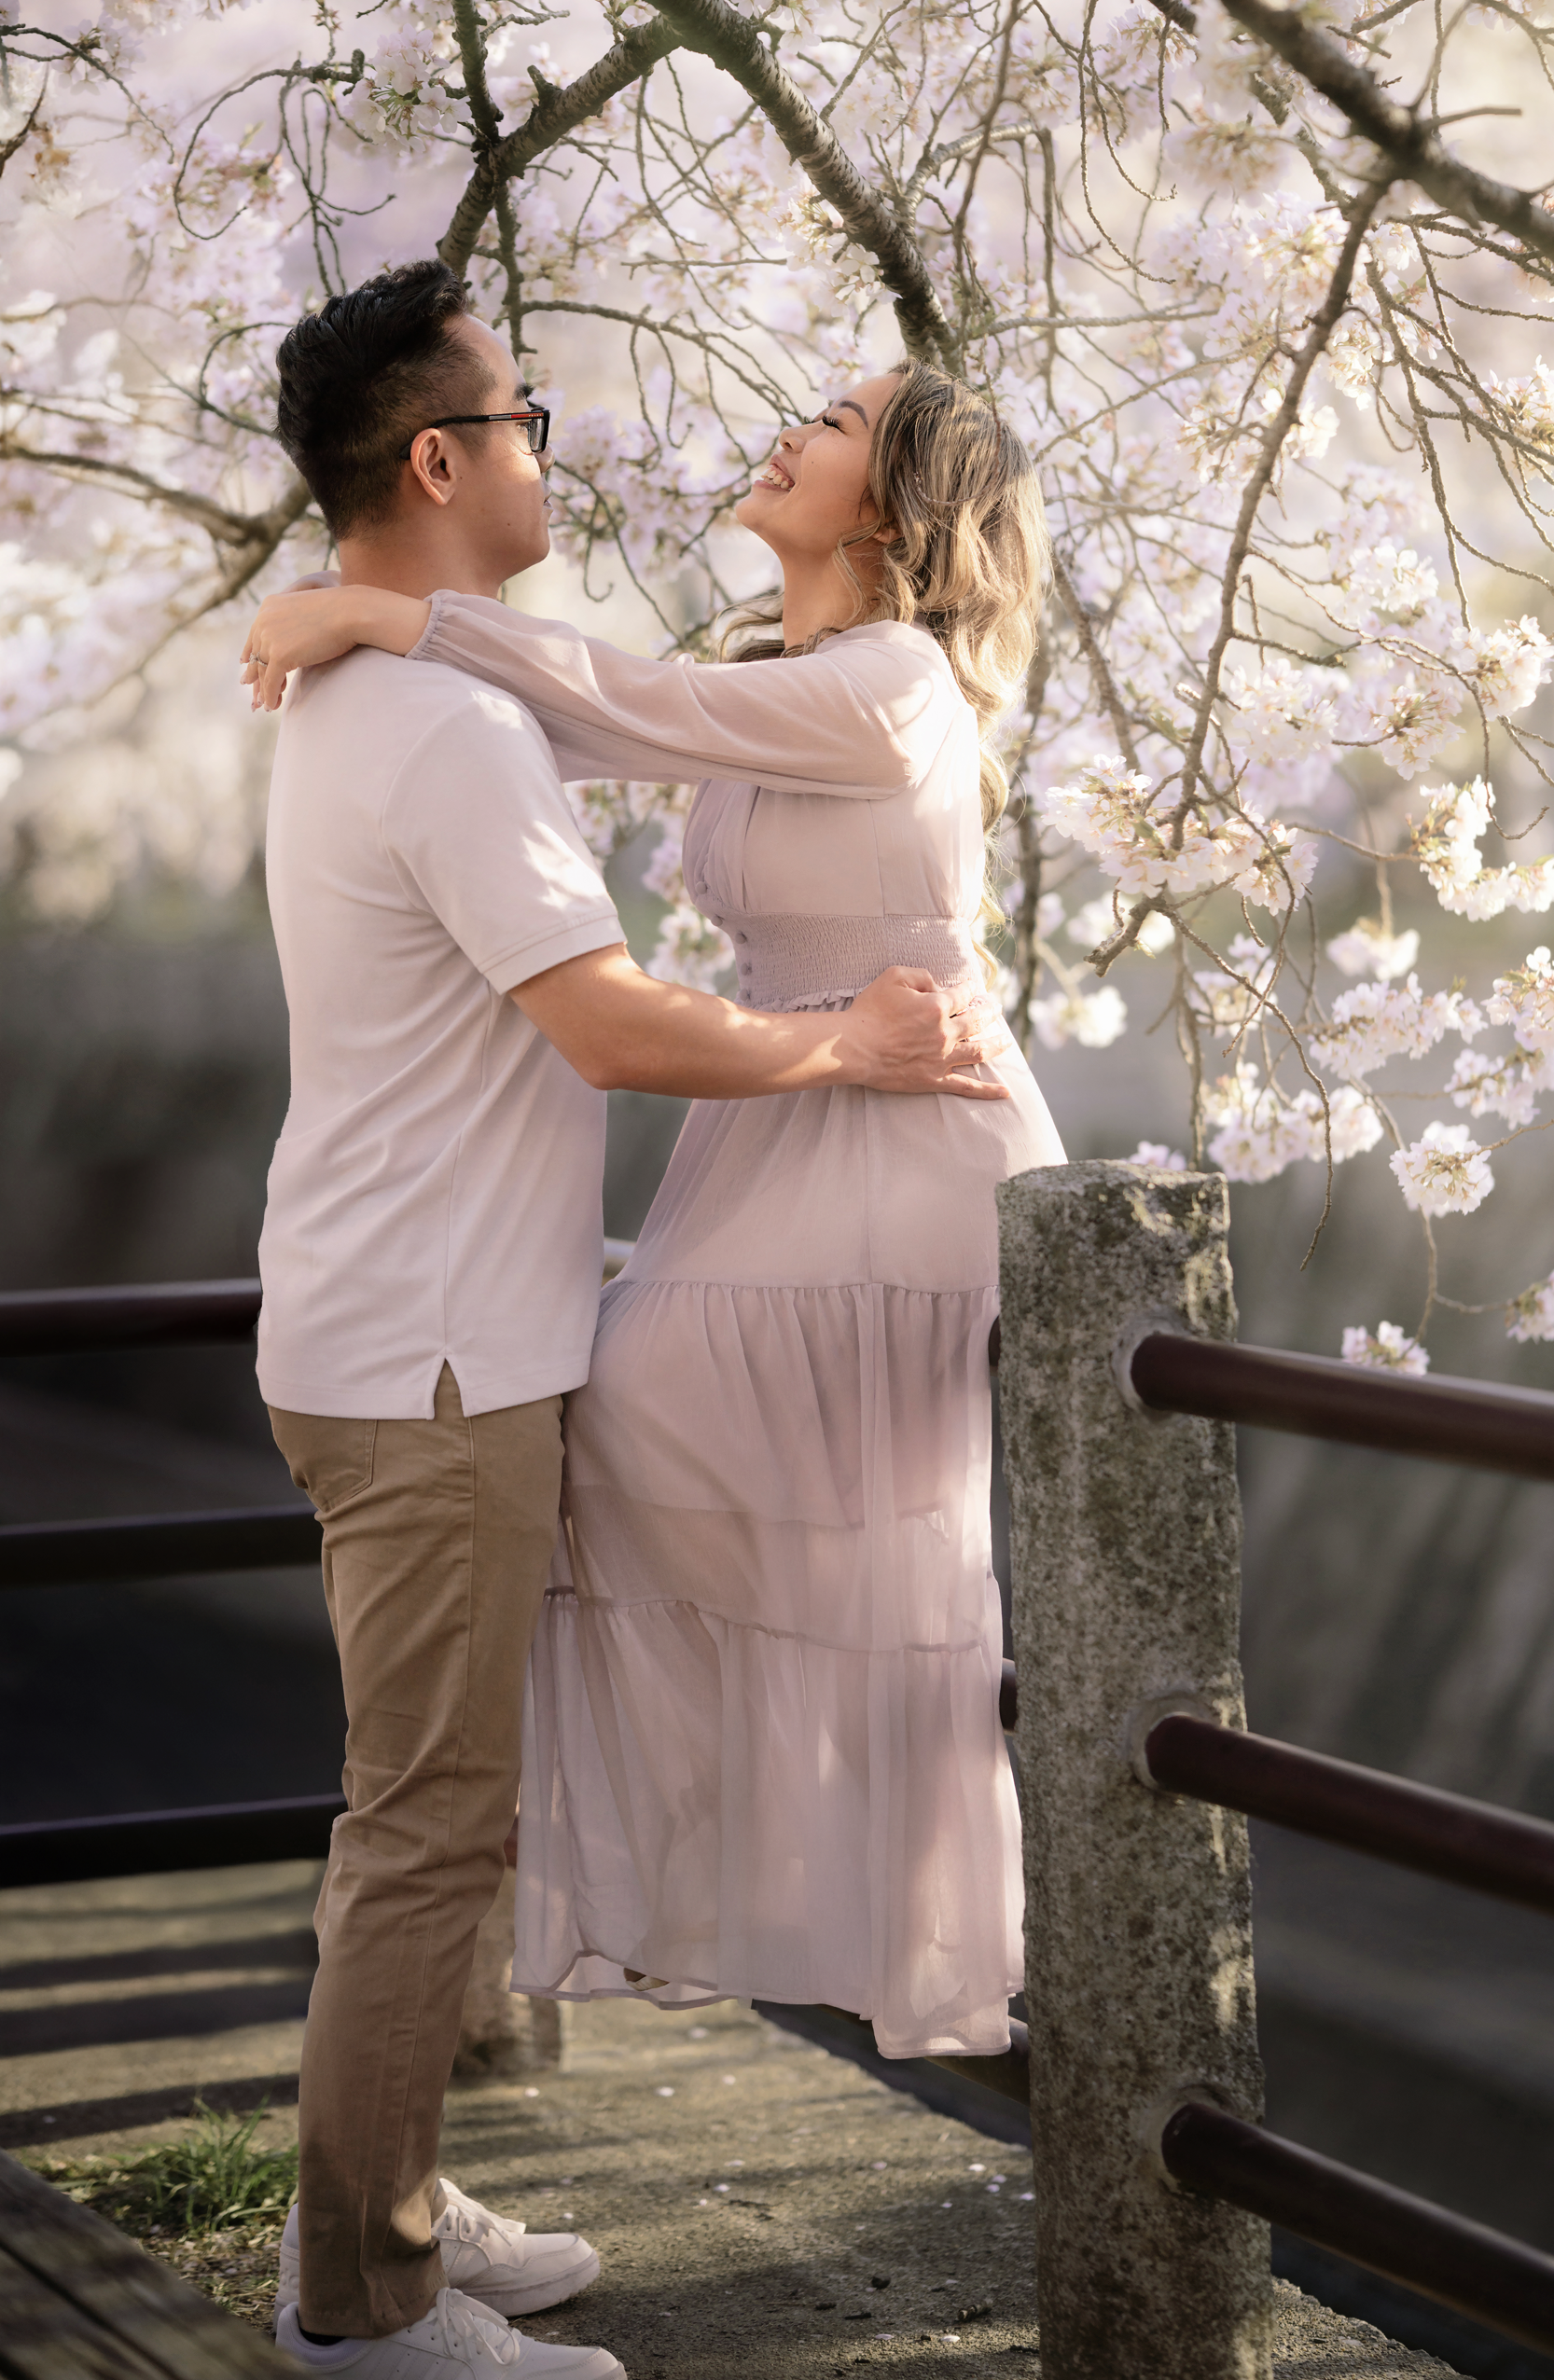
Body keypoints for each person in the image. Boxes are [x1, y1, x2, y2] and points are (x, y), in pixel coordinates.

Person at [253, 263, 1008, 2377]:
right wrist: (840, 1047)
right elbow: (601, 1023)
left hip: (444, 1321)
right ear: (440, 458)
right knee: (427, 1830)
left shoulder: (423, 699)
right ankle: (364, 2304)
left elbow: (640, 706)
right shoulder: (442, 725)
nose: (553, 448)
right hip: (436, 1352)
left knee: (430, 1806)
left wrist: (383, 609)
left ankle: (384, 2199)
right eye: (523, 420)